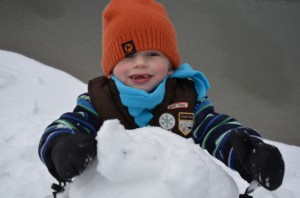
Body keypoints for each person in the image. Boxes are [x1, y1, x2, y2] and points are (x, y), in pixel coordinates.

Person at [38, 0, 284, 195]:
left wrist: (248, 152)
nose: (140, 63)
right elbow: (63, 127)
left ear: (170, 66)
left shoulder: (186, 101)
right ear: (111, 68)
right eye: (128, 56)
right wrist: (61, 146)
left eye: (152, 53)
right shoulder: (97, 102)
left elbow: (215, 130)